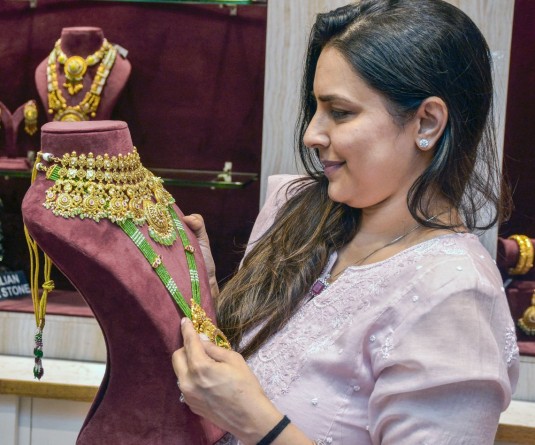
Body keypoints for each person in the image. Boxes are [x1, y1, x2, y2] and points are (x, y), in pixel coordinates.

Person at [172, 1, 520, 443]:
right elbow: (253, 361)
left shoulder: (454, 294)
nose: (311, 134)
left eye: (340, 112)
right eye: (316, 108)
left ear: (427, 123)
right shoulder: (294, 209)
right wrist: (204, 293)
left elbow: (248, 407)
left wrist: (258, 423)